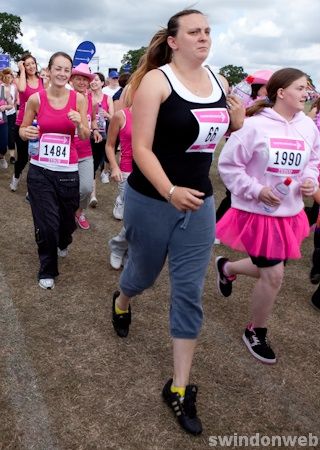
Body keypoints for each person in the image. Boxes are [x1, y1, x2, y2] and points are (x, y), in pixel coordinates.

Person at [110, 9, 243, 435]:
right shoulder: (156, 81)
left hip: (199, 205)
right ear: (174, 40)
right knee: (143, 276)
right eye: (194, 31)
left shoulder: (220, 82)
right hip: (152, 200)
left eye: (207, 31)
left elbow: (213, 138)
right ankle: (122, 299)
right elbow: (143, 149)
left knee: (188, 291)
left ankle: (179, 388)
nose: (204, 37)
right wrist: (170, 191)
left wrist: (237, 122)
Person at [215, 68, 320, 364]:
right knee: (274, 274)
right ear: (281, 92)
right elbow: (229, 165)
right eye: (301, 88)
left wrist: (310, 179)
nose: (306, 94)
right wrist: (257, 190)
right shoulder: (253, 126)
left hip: (290, 213)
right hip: (256, 213)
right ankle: (255, 330)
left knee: (272, 268)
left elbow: (313, 160)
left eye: (308, 89)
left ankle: (227, 268)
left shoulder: (309, 127)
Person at [19, 51, 90, 289]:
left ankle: (64, 239)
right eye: (57, 68)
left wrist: (80, 122)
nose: (62, 73)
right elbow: (23, 127)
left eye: (66, 70)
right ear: (48, 71)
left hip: (68, 171)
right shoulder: (36, 99)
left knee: (66, 222)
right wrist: (25, 132)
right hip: (40, 170)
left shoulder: (78, 99)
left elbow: (85, 136)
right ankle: (47, 269)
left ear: (70, 74)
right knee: (46, 223)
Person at [10, 53, 48, 192]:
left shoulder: (42, 81)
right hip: (22, 124)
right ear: (23, 67)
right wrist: (21, 69)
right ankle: (16, 176)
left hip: (39, 124)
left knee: (36, 157)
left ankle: (31, 188)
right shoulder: (21, 80)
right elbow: (21, 90)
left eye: (33, 63)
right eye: (27, 64)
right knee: (23, 158)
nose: (31, 66)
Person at [70, 63, 99, 230]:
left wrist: (95, 129)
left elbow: (93, 119)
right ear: (72, 80)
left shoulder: (91, 100)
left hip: (85, 151)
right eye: (78, 78)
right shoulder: (64, 97)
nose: (82, 82)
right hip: (67, 151)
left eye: (85, 79)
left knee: (87, 188)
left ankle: (79, 212)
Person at [106, 106, 132, 268]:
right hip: (128, 170)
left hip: (152, 172)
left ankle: (125, 249)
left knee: (143, 218)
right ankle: (119, 248)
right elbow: (110, 145)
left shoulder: (159, 113)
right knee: (133, 217)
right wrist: (114, 166)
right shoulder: (121, 116)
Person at [89, 72, 114, 205]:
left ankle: (90, 191)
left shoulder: (108, 98)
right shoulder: (85, 96)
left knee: (96, 162)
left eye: (97, 80)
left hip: (102, 135)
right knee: (90, 164)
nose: (93, 82)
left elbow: (114, 118)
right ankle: (92, 195)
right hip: (86, 134)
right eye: (92, 80)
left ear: (102, 83)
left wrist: (107, 115)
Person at [1, 68, 18, 164]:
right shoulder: (1, 87)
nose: (8, 78)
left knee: (11, 134)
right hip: (2, 115)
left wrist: (13, 108)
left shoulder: (14, 87)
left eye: (10, 77)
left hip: (11, 113)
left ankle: (12, 156)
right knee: (4, 134)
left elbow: (14, 100)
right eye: (6, 77)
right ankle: (2, 155)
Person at [0, 78, 14, 169]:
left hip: (2, 122)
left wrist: (5, 106)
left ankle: (1, 156)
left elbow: (11, 105)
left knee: (3, 144)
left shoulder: (4, 89)